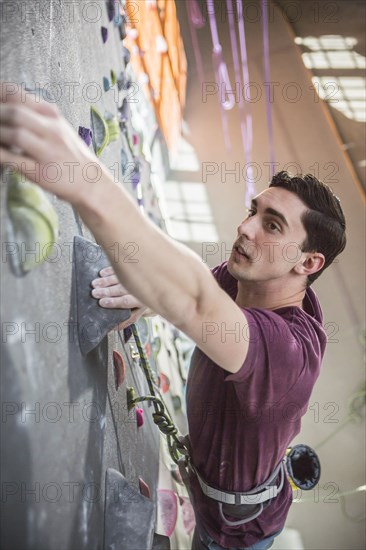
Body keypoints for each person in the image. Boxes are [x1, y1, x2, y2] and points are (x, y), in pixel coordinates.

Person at [0, 88, 346, 549]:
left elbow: (197, 302)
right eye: (254, 211)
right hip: (214, 488)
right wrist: (149, 293)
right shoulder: (249, 278)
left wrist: (85, 178)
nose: (245, 228)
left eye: (273, 225)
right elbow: (198, 288)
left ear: (308, 264)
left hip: (236, 533)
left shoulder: (290, 356)